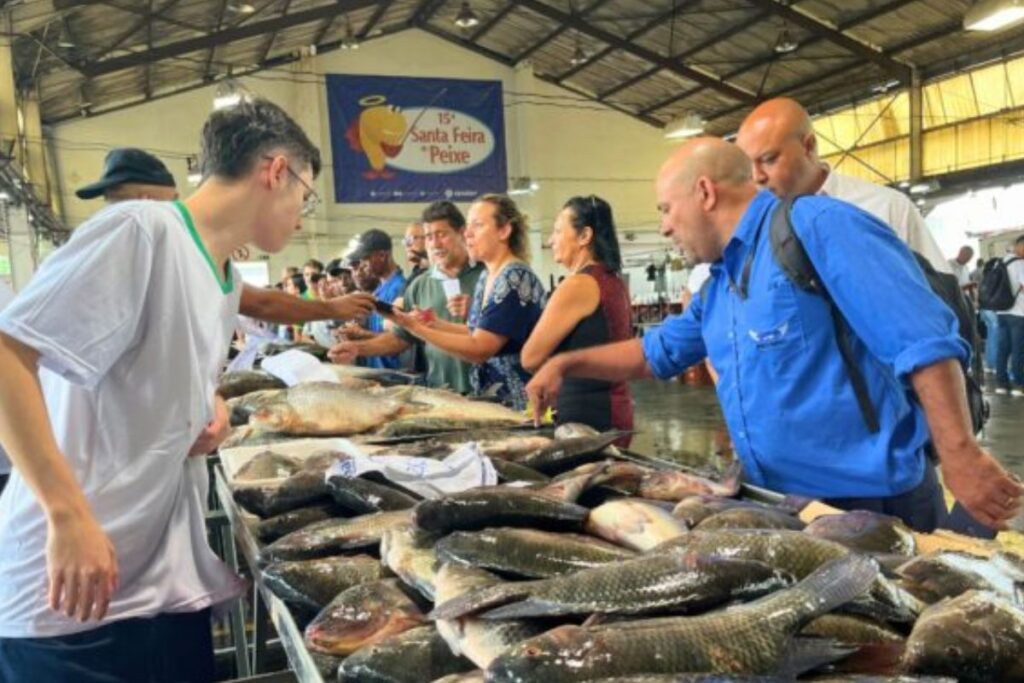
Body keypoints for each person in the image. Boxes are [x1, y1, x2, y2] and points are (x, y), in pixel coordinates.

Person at [527, 137, 1022, 533]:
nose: (664, 228)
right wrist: (566, 364)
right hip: (785, 506)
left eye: (665, 210)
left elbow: (923, 342)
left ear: (704, 192)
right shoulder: (722, 283)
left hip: (872, 508)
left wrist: (961, 455)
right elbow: (656, 352)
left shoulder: (816, 227)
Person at [0, 98, 322, 681]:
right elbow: (8, 352)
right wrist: (66, 515)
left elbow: (161, 375)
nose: (302, 215)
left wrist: (210, 407)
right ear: (276, 172)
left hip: (155, 582)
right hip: (73, 596)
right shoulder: (139, 231)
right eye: (305, 195)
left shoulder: (221, 275)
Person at [75, 149, 375, 330]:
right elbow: (27, 347)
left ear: (145, 198)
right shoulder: (131, 226)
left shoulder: (198, 256)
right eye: (302, 197)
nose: (299, 219)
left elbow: (262, 304)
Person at [736, 97, 950, 273]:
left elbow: (943, 293)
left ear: (809, 147)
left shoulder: (886, 209)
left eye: (769, 159)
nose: (757, 177)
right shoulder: (751, 232)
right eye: (748, 166)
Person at [387, 195, 545, 409]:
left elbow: (480, 348)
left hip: (517, 403)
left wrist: (415, 328)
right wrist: (435, 324)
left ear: (504, 231)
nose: (468, 233)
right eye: (468, 226)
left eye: (478, 225)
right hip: (493, 399)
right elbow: (476, 331)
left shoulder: (514, 278)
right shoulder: (487, 276)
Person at [330, 201, 485, 392]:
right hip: (442, 392)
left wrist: (477, 312)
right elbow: (400, 338)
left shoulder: (487, 276)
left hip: (488, 390)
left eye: (442, 235)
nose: (435, 244)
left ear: (462, 233)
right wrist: (358, 348)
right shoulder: (419, 285)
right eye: (429, 237)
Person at [521, 195, 633, 436]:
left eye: (558, 231)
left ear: (584, 236)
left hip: (586, 417)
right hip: (614, 409)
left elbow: (530, 358)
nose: (551, 240)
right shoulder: (612, 280)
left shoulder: (578, 284)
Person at [344, 229, 406, 369]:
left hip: (393, 372)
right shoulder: (378, 291)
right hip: (377, 369)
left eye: (366, 259)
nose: (362, 265)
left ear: (382, 256)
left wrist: (361, 334)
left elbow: (399, 340)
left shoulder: (400, 289)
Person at [995, 236, 1024, 396]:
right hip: (1018, 313)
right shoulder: (1021, 264)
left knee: (1003, 349)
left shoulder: (1002, 261)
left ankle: (1001, 384)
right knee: (1018, 350)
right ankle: (1018, 384)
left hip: (1001, 312)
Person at [403, 221, 429, 289]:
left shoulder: (434, 272)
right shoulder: (415, 272)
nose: (407, 244)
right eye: (406, 240)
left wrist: (420, 261)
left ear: (426, 239)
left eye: (411, 239)